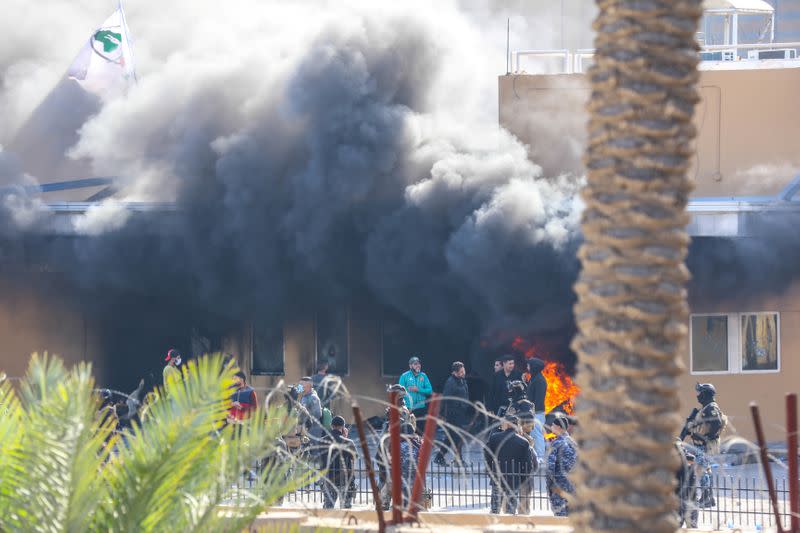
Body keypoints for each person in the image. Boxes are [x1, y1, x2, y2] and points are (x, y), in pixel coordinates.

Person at [681, 382, 726, 509]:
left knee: (700, 470)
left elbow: (716, 423)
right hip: (702, 445)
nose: (698, 396)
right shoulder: (706, 408)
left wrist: (706, 437)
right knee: (705, 470)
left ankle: (706, 498)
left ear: (706, 394)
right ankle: (709, 498)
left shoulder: (711, 407)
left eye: (700, 393)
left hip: (705, 445)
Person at [485, 414, 537, 515]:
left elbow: (487, 455)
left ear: (508, 424)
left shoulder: (494, 438)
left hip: (497, 477)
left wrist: (490, 470)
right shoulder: (523, 442)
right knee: (510, 510)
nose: (501, 425)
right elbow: (527, 464)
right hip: (514, 479)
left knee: (495, 509)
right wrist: (523, 479)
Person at [434, 361, 470, 466]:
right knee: (457, 437)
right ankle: (458, 461)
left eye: (464, 371)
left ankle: (439, 457)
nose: (463, 373)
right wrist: (441, 414)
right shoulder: (451, 382)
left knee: (450, 438)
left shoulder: (462, 381)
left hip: (460, 413)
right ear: (455, 372)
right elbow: (446, 398)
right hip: (452, 414)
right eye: (461, 371)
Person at [320, 416, 358, 509]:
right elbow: (355, 457)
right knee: (346, 508)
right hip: (344, 479)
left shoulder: (322, 441)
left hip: (328, 477)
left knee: (328, 508)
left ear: (331, 426)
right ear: (343, 426)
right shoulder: (348, 442)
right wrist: (345, 437)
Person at [546, 415, 577, 517]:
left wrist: (549, 484)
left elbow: (550, 466)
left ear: (559, 427)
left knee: (559, 514)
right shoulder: (573, 442)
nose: (551, 427)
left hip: (559, 484)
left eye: (553, 425)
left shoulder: (556, 443)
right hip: (573, 484)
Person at [398, 356, 433, 433]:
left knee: (420, 431)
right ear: (410, 366)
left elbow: (430, 391)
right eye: (415, 364)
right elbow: (399, 392)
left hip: (421, 408)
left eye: (419, 364)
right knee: (409, 431)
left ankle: (420, 444)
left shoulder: (423, 376)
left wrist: (418, 390)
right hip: (409, 408)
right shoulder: (404, 376)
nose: (418, 365)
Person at [526, 358, 548, 462]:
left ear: (533, 367)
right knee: (533, 434)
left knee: (537, 434)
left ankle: (540, 456)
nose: (527, 367)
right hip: (532, 412)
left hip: (537, 412)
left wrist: (532, 412)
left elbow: (538, 399)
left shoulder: (540, 380)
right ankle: (534, 455)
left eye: (529, 365)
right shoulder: (533, 378)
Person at [675, 440, 698, 528]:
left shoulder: (687, 457)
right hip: (680, 493)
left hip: (688, 492)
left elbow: (691, 459)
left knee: (691, 522)